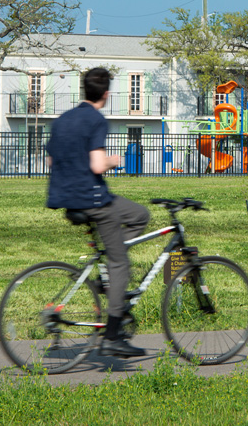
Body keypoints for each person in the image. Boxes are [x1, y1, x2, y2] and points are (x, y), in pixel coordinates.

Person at [45, 67, 150, 357]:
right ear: (106, 93)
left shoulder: (62, 120)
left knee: (137, 216)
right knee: (121, 260)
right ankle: (113, 336)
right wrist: (114, 160)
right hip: (94, 200)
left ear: (83, 89)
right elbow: (97, 165)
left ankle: (107, 273)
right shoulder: (96, 120)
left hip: (68, 200)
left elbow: (52, 160)